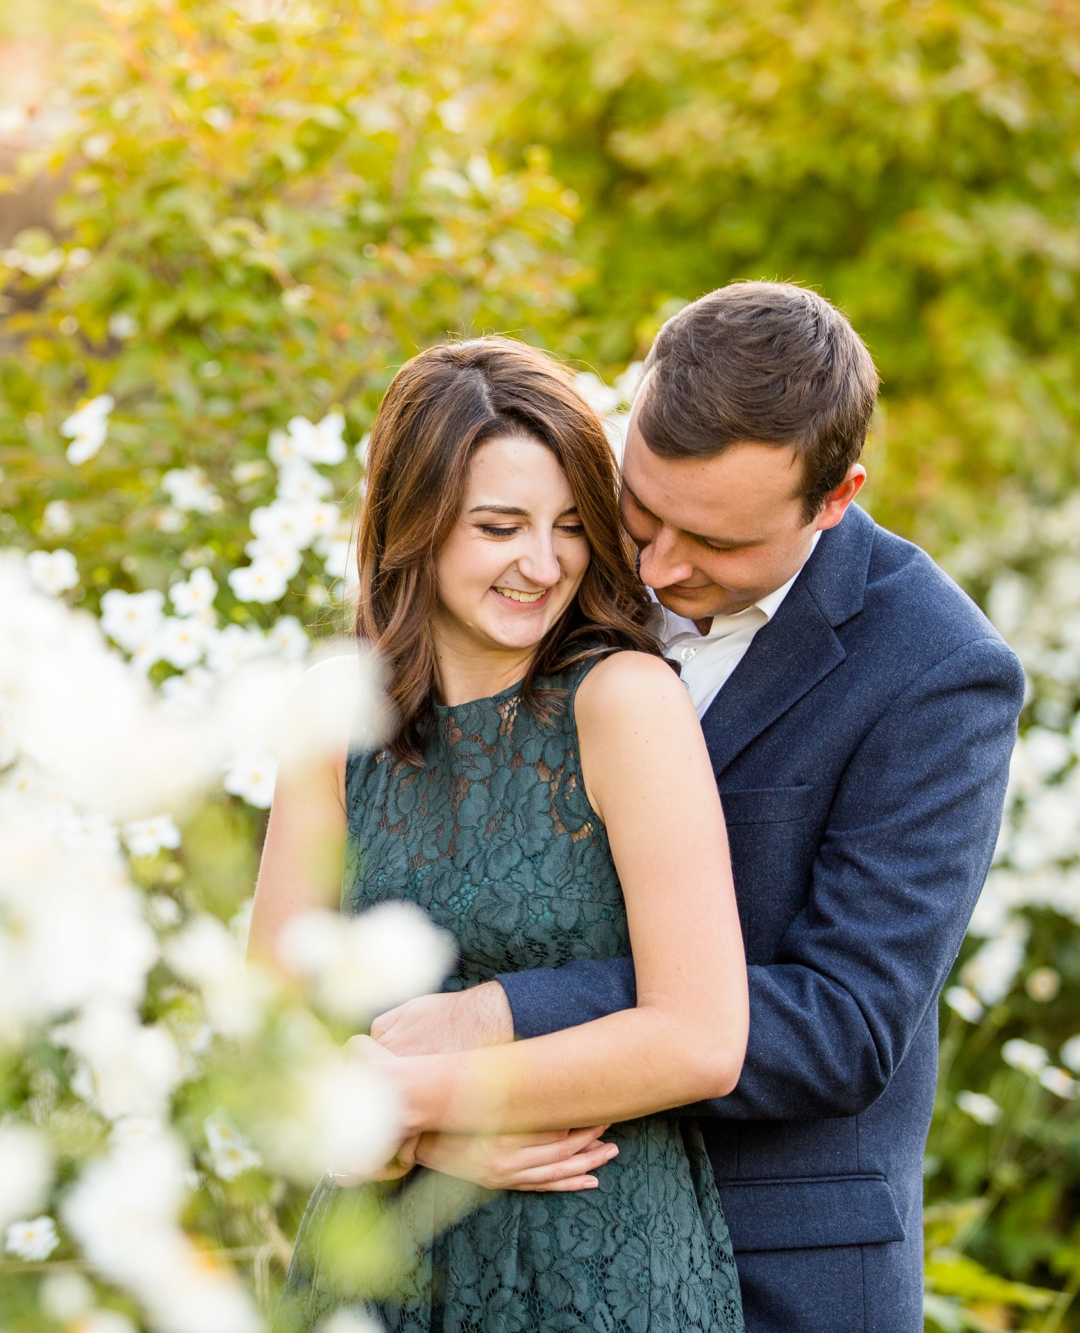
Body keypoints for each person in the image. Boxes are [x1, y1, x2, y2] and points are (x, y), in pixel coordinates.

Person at [366, 283, 1028, 1333]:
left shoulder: (935, 672)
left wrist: (502, 1025)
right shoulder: (559, 567)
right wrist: (424, 1122)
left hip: (771, 1261)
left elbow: (845, 1022)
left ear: (833, 497)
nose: (660, 569)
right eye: (640, 510)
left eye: (714, 545)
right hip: (497, 1230)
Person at [252, 336, 751, 1332]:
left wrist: (417, 1096)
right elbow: (267, 1026)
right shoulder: (333, 714)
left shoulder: (621, 702)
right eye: (497, 526)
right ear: (413, 523)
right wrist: (423, 1138)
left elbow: (700, 1038)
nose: (541, 562)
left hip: (595, 1266)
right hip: (373, 1260)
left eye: (570, 524)